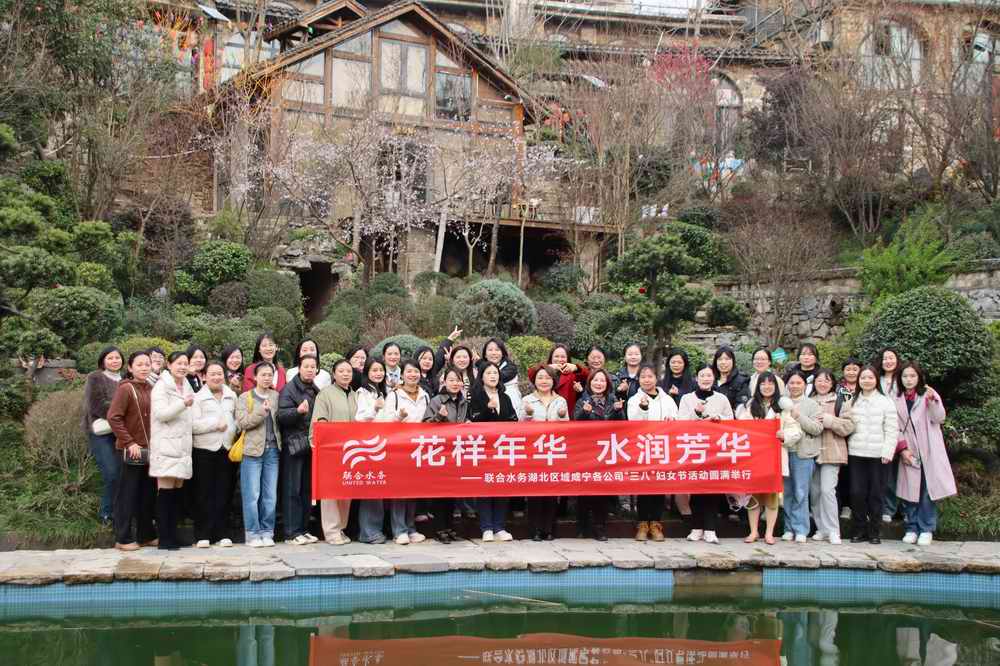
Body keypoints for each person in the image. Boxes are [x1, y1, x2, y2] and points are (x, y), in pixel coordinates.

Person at [895, 362, 956, 546]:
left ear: (919, 377)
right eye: (905, 376)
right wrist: (902, 449)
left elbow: (940, 418)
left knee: (927, 491)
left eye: (912, 376)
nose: (909, 379)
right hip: (909, 450)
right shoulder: (896, 398)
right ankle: (911, 528)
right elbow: (894, 426)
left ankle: (926, 528)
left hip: (929, 449)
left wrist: (933, 401)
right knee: (910, 491)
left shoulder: (928, 394)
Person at [736, 371, 799, 545]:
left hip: (774, 457)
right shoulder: (750, 405)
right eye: (763, 383)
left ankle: (769, 533)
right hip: (754, 457)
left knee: (771, 496)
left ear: (776, 386)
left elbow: (795, 430)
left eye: (770, 383)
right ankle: (753, 531)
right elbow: (741, 427)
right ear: (758, 386)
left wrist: (784, 435)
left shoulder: (783, 406)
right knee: (753, 497)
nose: (767, 386)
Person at [374, 360, 431, 545]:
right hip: (399, 448)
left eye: (415, 371)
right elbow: (385, 422)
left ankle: (411, 527)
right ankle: (399, 530)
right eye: (409, 371)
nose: (413, 375)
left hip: (419, 448)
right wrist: (399, 417)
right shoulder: (394, 395)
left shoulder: (425, 395)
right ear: (402, 375)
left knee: (413, 488)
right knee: (399, 489)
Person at [107, 350, 157, 551]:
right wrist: (129, 442)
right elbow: (114, 417)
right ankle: (123, 538)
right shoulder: (126, 389)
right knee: (127, 495)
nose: (144, 368)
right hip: (130, 451)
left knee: (147, 494)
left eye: (147, 364)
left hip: (149, 451)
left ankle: (146, 535)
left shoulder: (151, 388)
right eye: (139, 364)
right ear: (130, 367)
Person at [678, 365, 734, 543]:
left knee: (713, 489)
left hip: (715, 449)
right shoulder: (687, 398)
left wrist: (719, 418)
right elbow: (681, 422)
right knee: (695, 489)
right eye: (702, 375)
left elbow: (731, 420)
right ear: (696, 378)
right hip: (694, 448)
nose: (706, 379)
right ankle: (696, 528)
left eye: (709, 375)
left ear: (714, 378)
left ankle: (710, 529)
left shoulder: (722, 398)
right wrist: (696, 413)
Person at [150, 351, 196, 550]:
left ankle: (173, 535)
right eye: (179, 363)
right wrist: (182, 403)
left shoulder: (186, 385)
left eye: (186, 363)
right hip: (166, 446)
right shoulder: (161, 386)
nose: (183, 367)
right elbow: (161, 414)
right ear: (169, 365)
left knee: (177, 492)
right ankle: (165, 538)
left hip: (182, 447)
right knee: (166, 493)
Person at [848, 365, 898, 544]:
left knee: (876, 493)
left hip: (878, 455)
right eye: (863, 378)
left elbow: (892, 429)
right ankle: (859, 529)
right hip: (856, 453)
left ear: (876, 380)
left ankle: (875, 531)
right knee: (857, 493)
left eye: (870, 377)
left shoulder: (886, 402)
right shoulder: (852, 400)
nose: (866, 381)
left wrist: (888, 451)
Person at [627, 363, 678, 542]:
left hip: (662, 448)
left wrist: (672, 421)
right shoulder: (634, 399)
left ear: (656, 378)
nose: (646, 380)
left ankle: (656, 523)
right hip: (643, 449)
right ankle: (642, 524)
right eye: (643, 377)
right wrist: (643, 409)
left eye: (650, 376)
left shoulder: (668, 400)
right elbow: (632, 423)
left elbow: (677, 420)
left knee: (659, 487)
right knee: (643, 487)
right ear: (638, 379)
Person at [469, 362, 519, 542]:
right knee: (484, 487)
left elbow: (513, 419)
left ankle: (499, 527)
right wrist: (488, 409)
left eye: (495, 373)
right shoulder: (475, 396)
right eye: (488, 373)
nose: (493, 376)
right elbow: (473, 420)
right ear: (481, 376)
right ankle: (486, 527)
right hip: (482, 449)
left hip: (503, 449)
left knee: (501, 486)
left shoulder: (505, 397)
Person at [190, 361, 238, 548]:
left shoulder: (231, 395)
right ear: (204, 377)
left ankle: (222, 533)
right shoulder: (198, 398)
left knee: (224, 492)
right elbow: (192, 425)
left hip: (226, 449)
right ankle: (203, 534)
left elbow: (236, 420)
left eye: (219, 374)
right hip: (204, 450)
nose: (217, 377)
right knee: (203, 493)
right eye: (212, 374)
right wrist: (214, 425)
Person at [312, 359, 359, 546]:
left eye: (349, 371)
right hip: (331, 449)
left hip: (352, 450)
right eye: (341, 371)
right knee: (331, 491)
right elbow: (320, 420)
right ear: (334, 374)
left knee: (346, 489)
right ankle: (331, 531)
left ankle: (341, 528)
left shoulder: (356, 395)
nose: (346, 374)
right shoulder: (325, 394)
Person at [574, 369, 624, 542]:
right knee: (584, 491)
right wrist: (585, 413)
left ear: (607, 384)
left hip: (605, 452)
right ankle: (583, 526)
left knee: (602, 492)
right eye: (595, 380)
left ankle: (600, 527)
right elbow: (575, 425)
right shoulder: (582, 400)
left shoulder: (613, 400)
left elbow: (622, 426)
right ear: (590, 382)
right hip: (586, 452)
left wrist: (618, 411)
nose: (599, 383)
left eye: (602, 380)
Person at [235, 362, 281, 548]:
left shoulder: (276, 396)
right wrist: (262, 411)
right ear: (255, 377)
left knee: (270, 495)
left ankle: (267, 532)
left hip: (273, 451)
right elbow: (242, 423)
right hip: (252, 452)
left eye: (270, 375)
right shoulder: (245, 397)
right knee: (252, 495)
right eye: (263, 375)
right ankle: (252, 533)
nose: (267, 378)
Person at [277, 354, 322, 545]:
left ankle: (303, 529)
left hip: (310, 445)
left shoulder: (316, 389)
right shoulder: (289, 389)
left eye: (313, 367)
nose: (310, 370)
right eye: (306, 366)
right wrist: (297, 412)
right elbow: (281, 416)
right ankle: (291, 532)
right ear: (299, 368)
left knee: (306, 489)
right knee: (292, 489)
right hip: (294, 446)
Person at [521, 367, 569, 541]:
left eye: (548, 378)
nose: (544, 381)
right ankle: (534, 529)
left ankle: (548, 529)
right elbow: (518, 427)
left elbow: (568, 427)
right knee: (534, 491)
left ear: (553, 381)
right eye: (540, 377)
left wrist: (562, 417)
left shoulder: (560, 400)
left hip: (554, 450)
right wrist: (528, 415)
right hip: (534, 451)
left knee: (551, 491)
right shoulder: (527, 400)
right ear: (534, 381)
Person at [424, 367, 470, 543]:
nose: (455, 383)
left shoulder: (463, 401)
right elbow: (425, 426)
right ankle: (439, 528)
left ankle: (450, 527)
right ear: (444, 382)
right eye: (451, 380)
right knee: (440, 492)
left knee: (452, 491)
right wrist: (438, 416)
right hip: (440, 452)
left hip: (456, 452)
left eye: (458, 380)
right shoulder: (437, 400)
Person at [810, 369, 854, 546]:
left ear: (832, 383)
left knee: (828, 491)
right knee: (815, 492)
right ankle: (821, 528)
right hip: (811, 452)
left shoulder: (841, 400)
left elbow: (849, 426)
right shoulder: (809, 401)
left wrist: (830, 420)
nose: (822, 384)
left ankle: (833, 530)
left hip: (832, 452)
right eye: (819, 380)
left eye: (826, 381)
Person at [82, 345, 124, 525]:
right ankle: (107, 513)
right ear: (103, 361)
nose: (114, 361)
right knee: (112, 473)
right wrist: (122, 413)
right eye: (110, 358)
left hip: (122, 432)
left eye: (117, 357)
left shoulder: (126, 378)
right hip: (102, 432)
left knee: (124, 474)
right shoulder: (95, 377)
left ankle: (121, 512)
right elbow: (96, 404)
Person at [781, 372, 823, 543]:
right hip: (783, 452)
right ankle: (788, 528)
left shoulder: (812, 404)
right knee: (787, 492)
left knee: (801, 492)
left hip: (803, 453)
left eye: (798, 383)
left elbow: (817, 428)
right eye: (791, 383)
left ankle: (800, 529)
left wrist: (798, 416)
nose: (795, 386)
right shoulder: (781, 402)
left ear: (804, 385)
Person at [351, 357, 389, 543]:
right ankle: (367, 532)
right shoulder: (362, 392)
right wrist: (374, 408)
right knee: (371, 488)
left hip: (383, 443)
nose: (378, 373)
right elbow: (359, 418)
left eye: (381, 370)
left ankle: (375, 530)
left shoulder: (382, 391)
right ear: (367, 372)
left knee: (379, 488)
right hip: (369, 445)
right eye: (374, 370)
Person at [876, 347, 903, 523]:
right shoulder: (876, 380)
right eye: (885, 358)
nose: (888, 361)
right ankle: (887, 508)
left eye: (891, 358)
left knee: (903, 474)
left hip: (902, 429)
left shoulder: (902, 379)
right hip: (880, 431)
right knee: (886, 473)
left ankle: (901, 508)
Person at [836, 357, 863, 519]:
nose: (851, 372)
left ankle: (859, 506)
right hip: (841, 435)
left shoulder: (865, 387)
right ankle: (845, 505)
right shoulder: (838, 389)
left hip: (861, 435)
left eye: (855, 369)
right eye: (848, 369)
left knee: (859, 473)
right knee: (843, 472)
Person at [528, 344, 588, 416]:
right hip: (544, 414)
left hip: (565, 414)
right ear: (551, 358)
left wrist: (576, 368)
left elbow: (589, 375)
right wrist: (548, 367)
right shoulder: (543, 371)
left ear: (567, 359)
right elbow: (531, 373)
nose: (559, 360)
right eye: (556, 356)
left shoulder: (573, 374)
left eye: (563, 357)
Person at [479, 338, 523, 419]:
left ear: (502, 353)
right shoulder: (479, 368)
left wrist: (480, 364)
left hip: (511, 408)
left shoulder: (510, 368)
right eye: (490, 350)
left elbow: (498, 378)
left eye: (497, 350)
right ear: (485, 354)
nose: (494, 353)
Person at [713, 346, 750, 412]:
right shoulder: (710, 380)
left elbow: (741, 406)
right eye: (720, 359)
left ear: (733, 361)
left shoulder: (742, 381)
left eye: (727, 359)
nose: (723, 362)